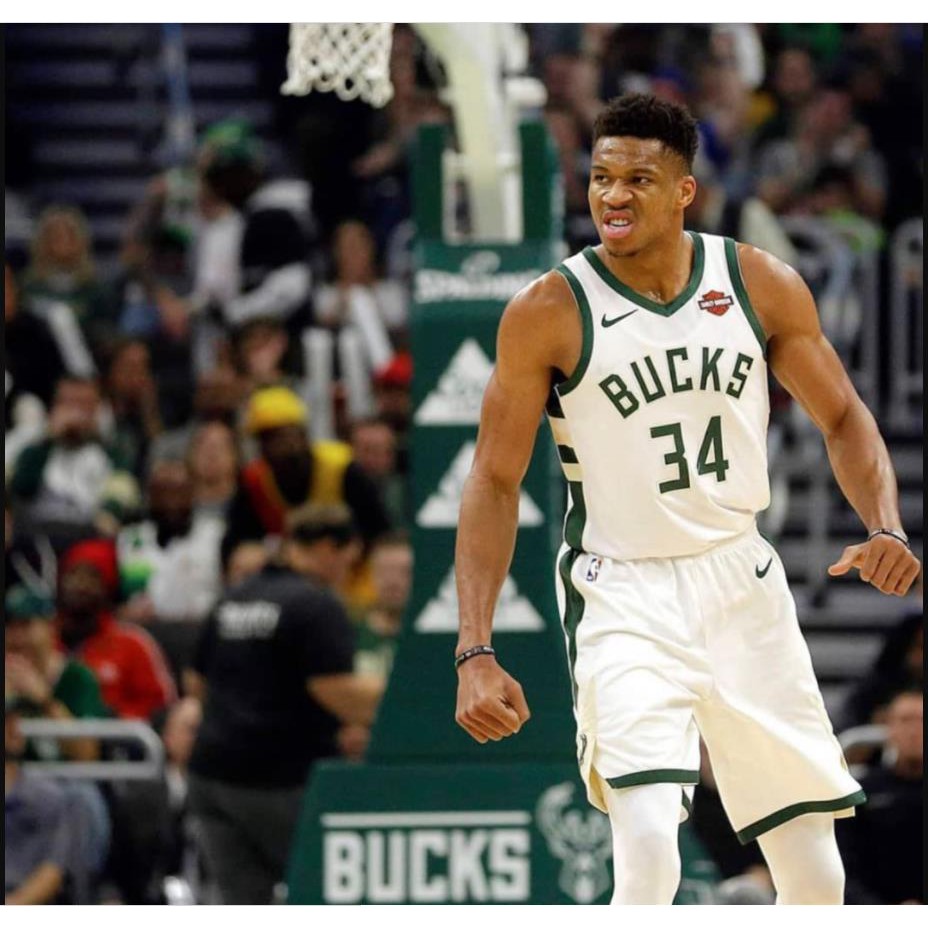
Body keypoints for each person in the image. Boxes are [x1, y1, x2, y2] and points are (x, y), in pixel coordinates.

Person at [453, 93, 920, 906]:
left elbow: (844, 416)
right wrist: (474, 649)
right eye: (601, 177)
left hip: (740, 579)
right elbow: (493, 479)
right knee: (646, 850)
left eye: (638, 178)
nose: (613, 195)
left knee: (815, 872)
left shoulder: (757, 282)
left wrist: (886, 525)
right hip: (623, 588)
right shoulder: (549, 310)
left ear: (683, 192)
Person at [186, 503, 384, 904]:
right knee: (330, 891)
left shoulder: (234, 598)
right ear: (327, 548)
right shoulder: (315, 605)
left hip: (210, 778)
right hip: (279, 783)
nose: (347, 573)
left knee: (242, 903)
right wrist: (408, 700)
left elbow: (194, 682)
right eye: (348, 561)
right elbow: (338, 693)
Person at [837, 689, 923, 904]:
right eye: (905, 720)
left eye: (921, 721)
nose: (914, 731)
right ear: (889, 728)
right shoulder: (859, 793)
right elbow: (843, 870)